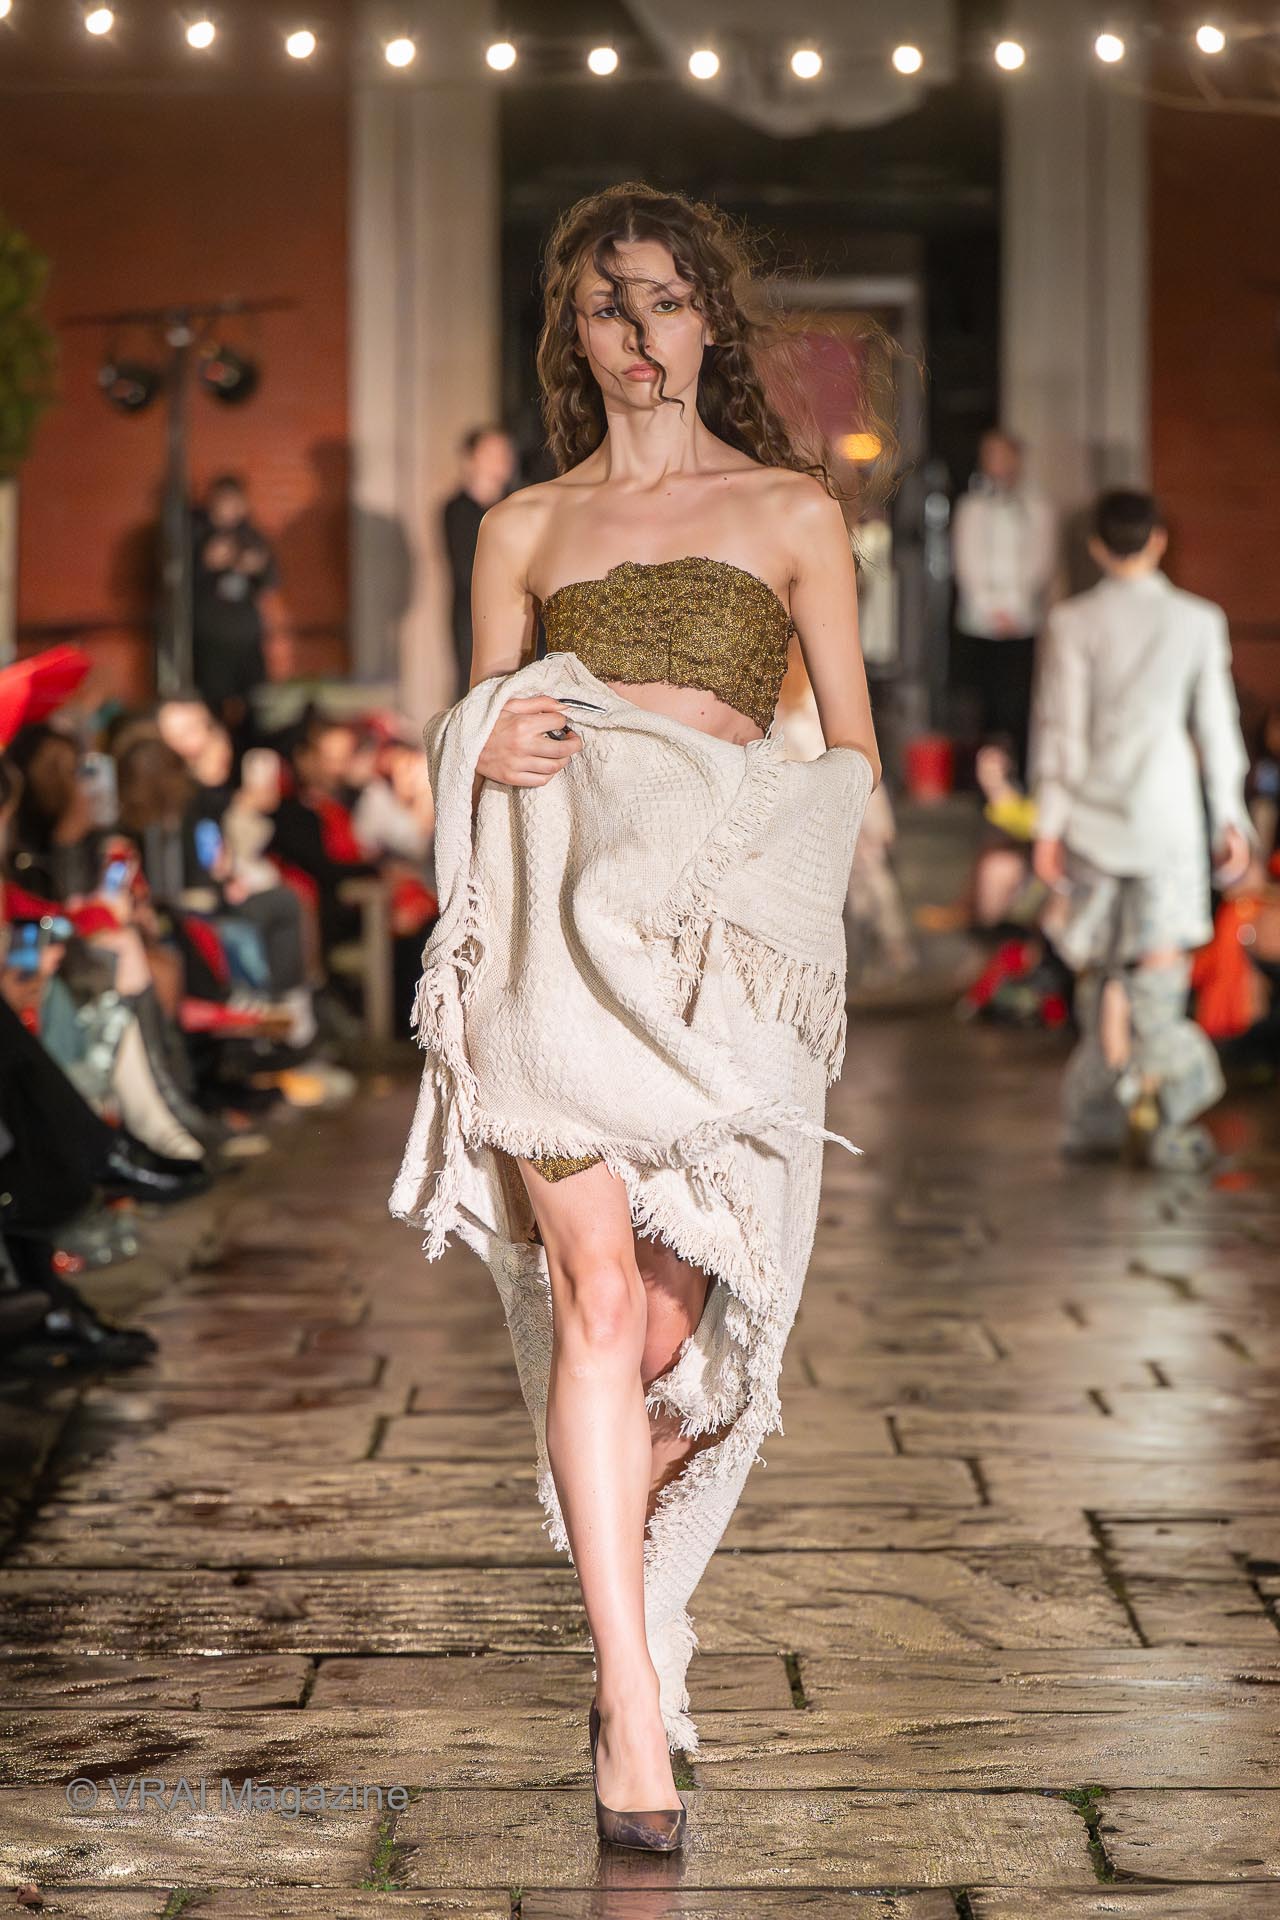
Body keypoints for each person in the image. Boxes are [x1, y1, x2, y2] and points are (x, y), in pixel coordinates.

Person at [390, 182, 880, 1850]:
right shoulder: (519, 528)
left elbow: (850, 753)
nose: (642, 332)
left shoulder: (795, 512)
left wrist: (750, 862)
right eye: (611, 307)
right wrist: (483, 738)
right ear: (574, 334)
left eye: (667, 300)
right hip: (549, 952)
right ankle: (627, 1706)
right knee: (601, 1312)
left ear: (707, 320)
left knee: (677, 1347)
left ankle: (640, 1627)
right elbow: (463, 728)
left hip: (714, 974)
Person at [1031, 488, 1252, 1169]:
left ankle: (1096, 1118)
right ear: (1158, 539)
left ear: (1097, 546)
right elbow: (1216, 728)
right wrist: (1231, 815)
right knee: (1158, 973)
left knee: (1104, 973)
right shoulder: (1198, 620)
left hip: (1094, 819)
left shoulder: (1072, 621)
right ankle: (1170, 1115)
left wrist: (1048, 824)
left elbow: (1061, 732)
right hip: (1167, 817)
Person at [951, 429, 1057, 777]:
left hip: (1022, 619)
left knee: (1018, 700)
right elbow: (966, 561)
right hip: (979, 619)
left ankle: (1019, 776)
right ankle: (984, 779)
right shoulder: (971, 507)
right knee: (982, 701)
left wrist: (1015, 607)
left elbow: (1041, 562)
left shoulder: (1037, 507)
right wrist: (988, 608)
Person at [190, 474, 278, 742]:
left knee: (254, 706)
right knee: (212, 707)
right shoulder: (195, 533)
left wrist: (255, 567)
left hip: (246, 637)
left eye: (235, 503)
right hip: (211, 637)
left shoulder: (251, 536)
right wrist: (207, 563)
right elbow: (175, 583)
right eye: (224, 502)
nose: (230, 509)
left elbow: (272, 580)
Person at [441, 426, 519, 696]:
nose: (502, 460)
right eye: (491, 453)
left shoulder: (517, 505)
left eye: (505, 453)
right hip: (472, 612)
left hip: (516, 610)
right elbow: (465, 568)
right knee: (473, 687)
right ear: (471, 458)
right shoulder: (456, 509)